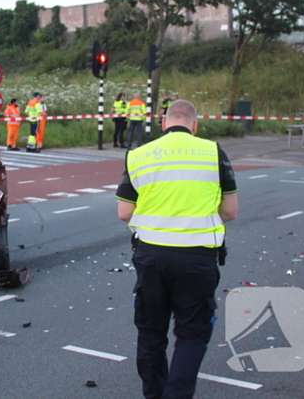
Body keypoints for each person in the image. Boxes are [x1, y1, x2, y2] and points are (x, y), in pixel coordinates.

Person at [115, 100, 239, 399]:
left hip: (151, 257)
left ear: (163, 122)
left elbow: (124, 212)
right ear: (195, 125)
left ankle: (154, 395)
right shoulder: (213, 152)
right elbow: (230, 210)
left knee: (151, 332)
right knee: (192, 334)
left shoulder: (138, 155)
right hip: (198, 258)